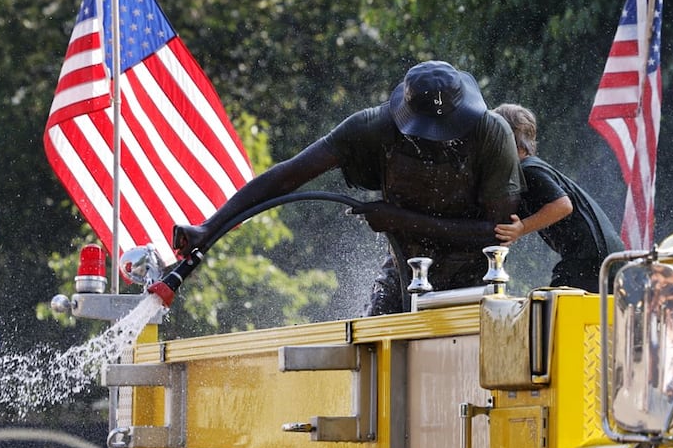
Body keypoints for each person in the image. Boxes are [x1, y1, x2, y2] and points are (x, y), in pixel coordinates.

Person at [173, 61, 522, 315]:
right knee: (371, 351)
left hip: (475, 283)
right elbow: (288, 175)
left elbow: (496, 235)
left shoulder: (491, 134)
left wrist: (401, 220)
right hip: (404, 271)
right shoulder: (373, 127)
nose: (434, 144)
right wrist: (210, 227)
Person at [491, 103, 625, 290]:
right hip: (599, 258)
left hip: (592, 260)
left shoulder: (529, 170)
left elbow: (563, 205)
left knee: (555, 307)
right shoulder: (525, 172)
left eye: (492, 138)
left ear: (506, 138)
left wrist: (521, 228)